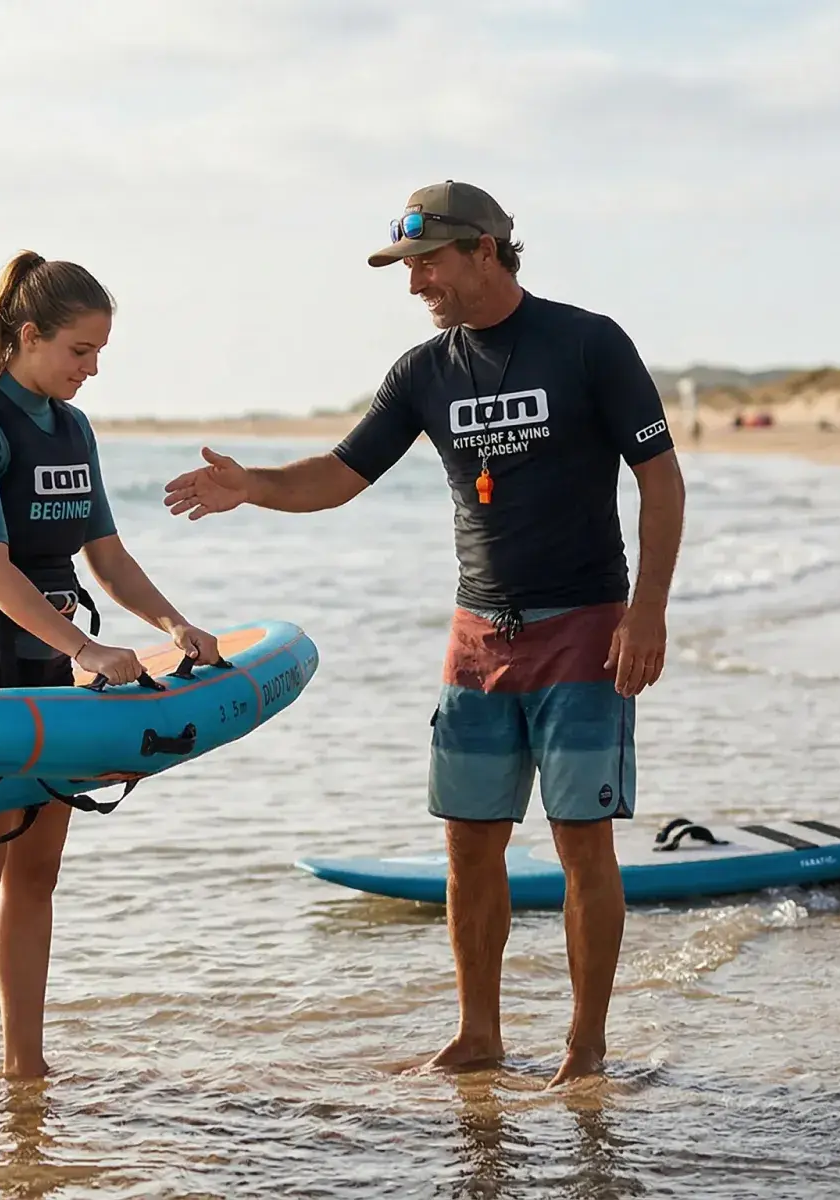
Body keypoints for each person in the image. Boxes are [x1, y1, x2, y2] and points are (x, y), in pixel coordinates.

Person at [163, 182, 686, 1087]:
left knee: (580, 843)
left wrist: (649, 609)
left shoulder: (589, 342)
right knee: (468, 841)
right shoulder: (423, 371)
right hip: (479, 638)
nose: (416, 285)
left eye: (428, 263)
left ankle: (584, 1045)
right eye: (408, 268)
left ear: (485, 248)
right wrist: (253, 485)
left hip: (586, 629)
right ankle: (479, 1034)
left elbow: (661, 481)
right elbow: (341, 472)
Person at [0, 249, 222, 1106]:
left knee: (38, 875)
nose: (91, 372)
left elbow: (108, 557)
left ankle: (26, 1065)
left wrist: (173, 626)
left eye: (99, 356)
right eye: (80, 353)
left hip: (52, 664)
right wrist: (90, 654)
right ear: (28, 336)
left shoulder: (70, 428)